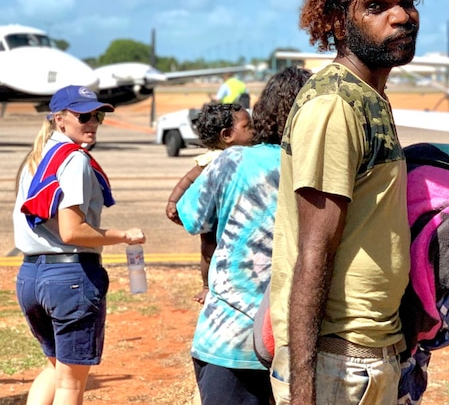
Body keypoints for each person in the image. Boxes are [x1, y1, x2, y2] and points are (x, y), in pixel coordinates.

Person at [268, 0, 422, 405]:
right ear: (338, 21)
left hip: (373, 350)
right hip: (340, 360)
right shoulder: (334, 103)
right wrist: (304, 390)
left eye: (406, 3)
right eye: (376, 6)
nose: (401, 17)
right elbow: (312, 251)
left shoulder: (368, 95)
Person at [176, 67, 311, 405]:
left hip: (230, 336)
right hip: (303, 341)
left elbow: (187, 215)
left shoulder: (233, 161)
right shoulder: (324, 166)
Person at [13, 85, 146, 405]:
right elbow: (72, 232)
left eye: (97, 115)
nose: (93, 122)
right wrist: (123, 235)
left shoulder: (36, 157)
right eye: (83, 115)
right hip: (69, 278)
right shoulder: (74, 161)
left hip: (31, 276)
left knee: (57, 368)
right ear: (59, 120)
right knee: (71, 385)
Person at [165, 102, 255, 303]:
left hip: (231, 214)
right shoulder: (212, 159)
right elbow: (187, 181)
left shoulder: (251, 155)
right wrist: (173, 201)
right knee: (209, 247)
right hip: (212, 215)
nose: (254, 130)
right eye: (248, 127)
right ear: (227, 135)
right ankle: (207, 286)